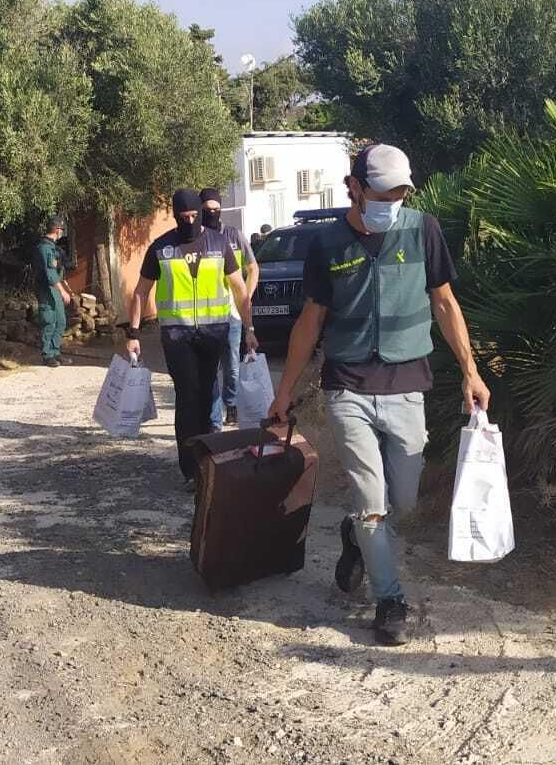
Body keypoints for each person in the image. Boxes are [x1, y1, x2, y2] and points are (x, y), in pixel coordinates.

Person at [268, 143, 491, 646]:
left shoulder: (423, 229)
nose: (392, 201)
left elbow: (445, 303)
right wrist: (284, 392)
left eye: (401, 193)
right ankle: (390, 599)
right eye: (382, 192)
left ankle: (354, 534)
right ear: (355, 187)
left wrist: (471, 373)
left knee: (404, 503)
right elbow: (310, 322)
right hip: (348, 387)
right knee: (373, 502)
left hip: (407, 386)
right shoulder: (327, 244)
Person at [127, 189, 258, 488]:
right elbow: (140, 291)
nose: (190, 221)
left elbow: (239, 290)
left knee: (208, 393)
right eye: (183, 217)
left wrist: (249, 329)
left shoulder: (219, 243)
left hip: (214, 334)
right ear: (175, 216)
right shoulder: (161, 249)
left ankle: (209, 462)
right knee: (188, 398)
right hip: (177, 336)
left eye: (193, 216)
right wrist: (132, 333)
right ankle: (191, 471)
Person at [200, 187, 258, 428]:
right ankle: (214, 422)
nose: (212, 213)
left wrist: (245, 295)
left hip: (232, 315)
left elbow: (253, 267)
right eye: (207, 210)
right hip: (206, 317)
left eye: (216, 209)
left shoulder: (234, 236)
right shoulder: (197, 239)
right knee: (210, 372)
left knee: (232, 366)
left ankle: (231, 404)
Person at [36, 216, 75, 367]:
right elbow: (50, 274)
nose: (62, 233)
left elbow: (59, 271)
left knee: (60, 321)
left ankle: (55, 352)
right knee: (49, 321)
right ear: (57, 229)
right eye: (61, 230)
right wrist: (63, 292)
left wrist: (65, 288)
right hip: (47, 290)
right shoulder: (44, 248)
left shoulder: (54, 248)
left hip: (56, 289)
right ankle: (47, 355)